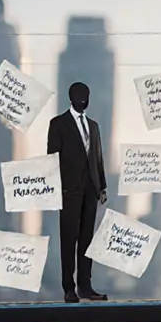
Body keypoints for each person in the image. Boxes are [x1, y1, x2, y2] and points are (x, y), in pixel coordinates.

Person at [47, 82, 109, 303]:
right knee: (68, 238)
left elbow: (98, 158)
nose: (84, 101)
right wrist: (56, 188)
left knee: (87, 240)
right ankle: (68, 287)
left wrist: (102, 186)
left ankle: (85, 286)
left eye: (86, 97)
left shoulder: (93, 126)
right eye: (81, 97)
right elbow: (51, 160)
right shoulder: (58, 124)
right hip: (68, 190)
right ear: (72, 99)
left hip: (90, 189)